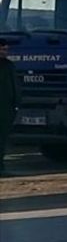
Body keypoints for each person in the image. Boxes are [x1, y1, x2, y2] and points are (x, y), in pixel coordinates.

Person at [0, 39, 19, 177]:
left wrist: (16, 104)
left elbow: (14, 87)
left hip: (6, 108)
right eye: (2, 49)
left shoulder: (8, 65)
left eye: (6, 49)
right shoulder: (7, 66)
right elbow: (14, 87)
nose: (4, 52)